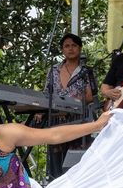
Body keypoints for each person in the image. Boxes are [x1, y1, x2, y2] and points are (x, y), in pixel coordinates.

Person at [42, 33, 98, 179]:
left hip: (79, 120)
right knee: (56, 160)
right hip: (56, 119)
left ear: (79, 48)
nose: (70, 49)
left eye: (74, 45)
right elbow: (46, 94)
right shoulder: (53, 70)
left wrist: (74, 100)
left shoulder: (86, 71)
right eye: (67, 46)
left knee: (75, 162)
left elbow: (92, 96)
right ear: (62, 50)